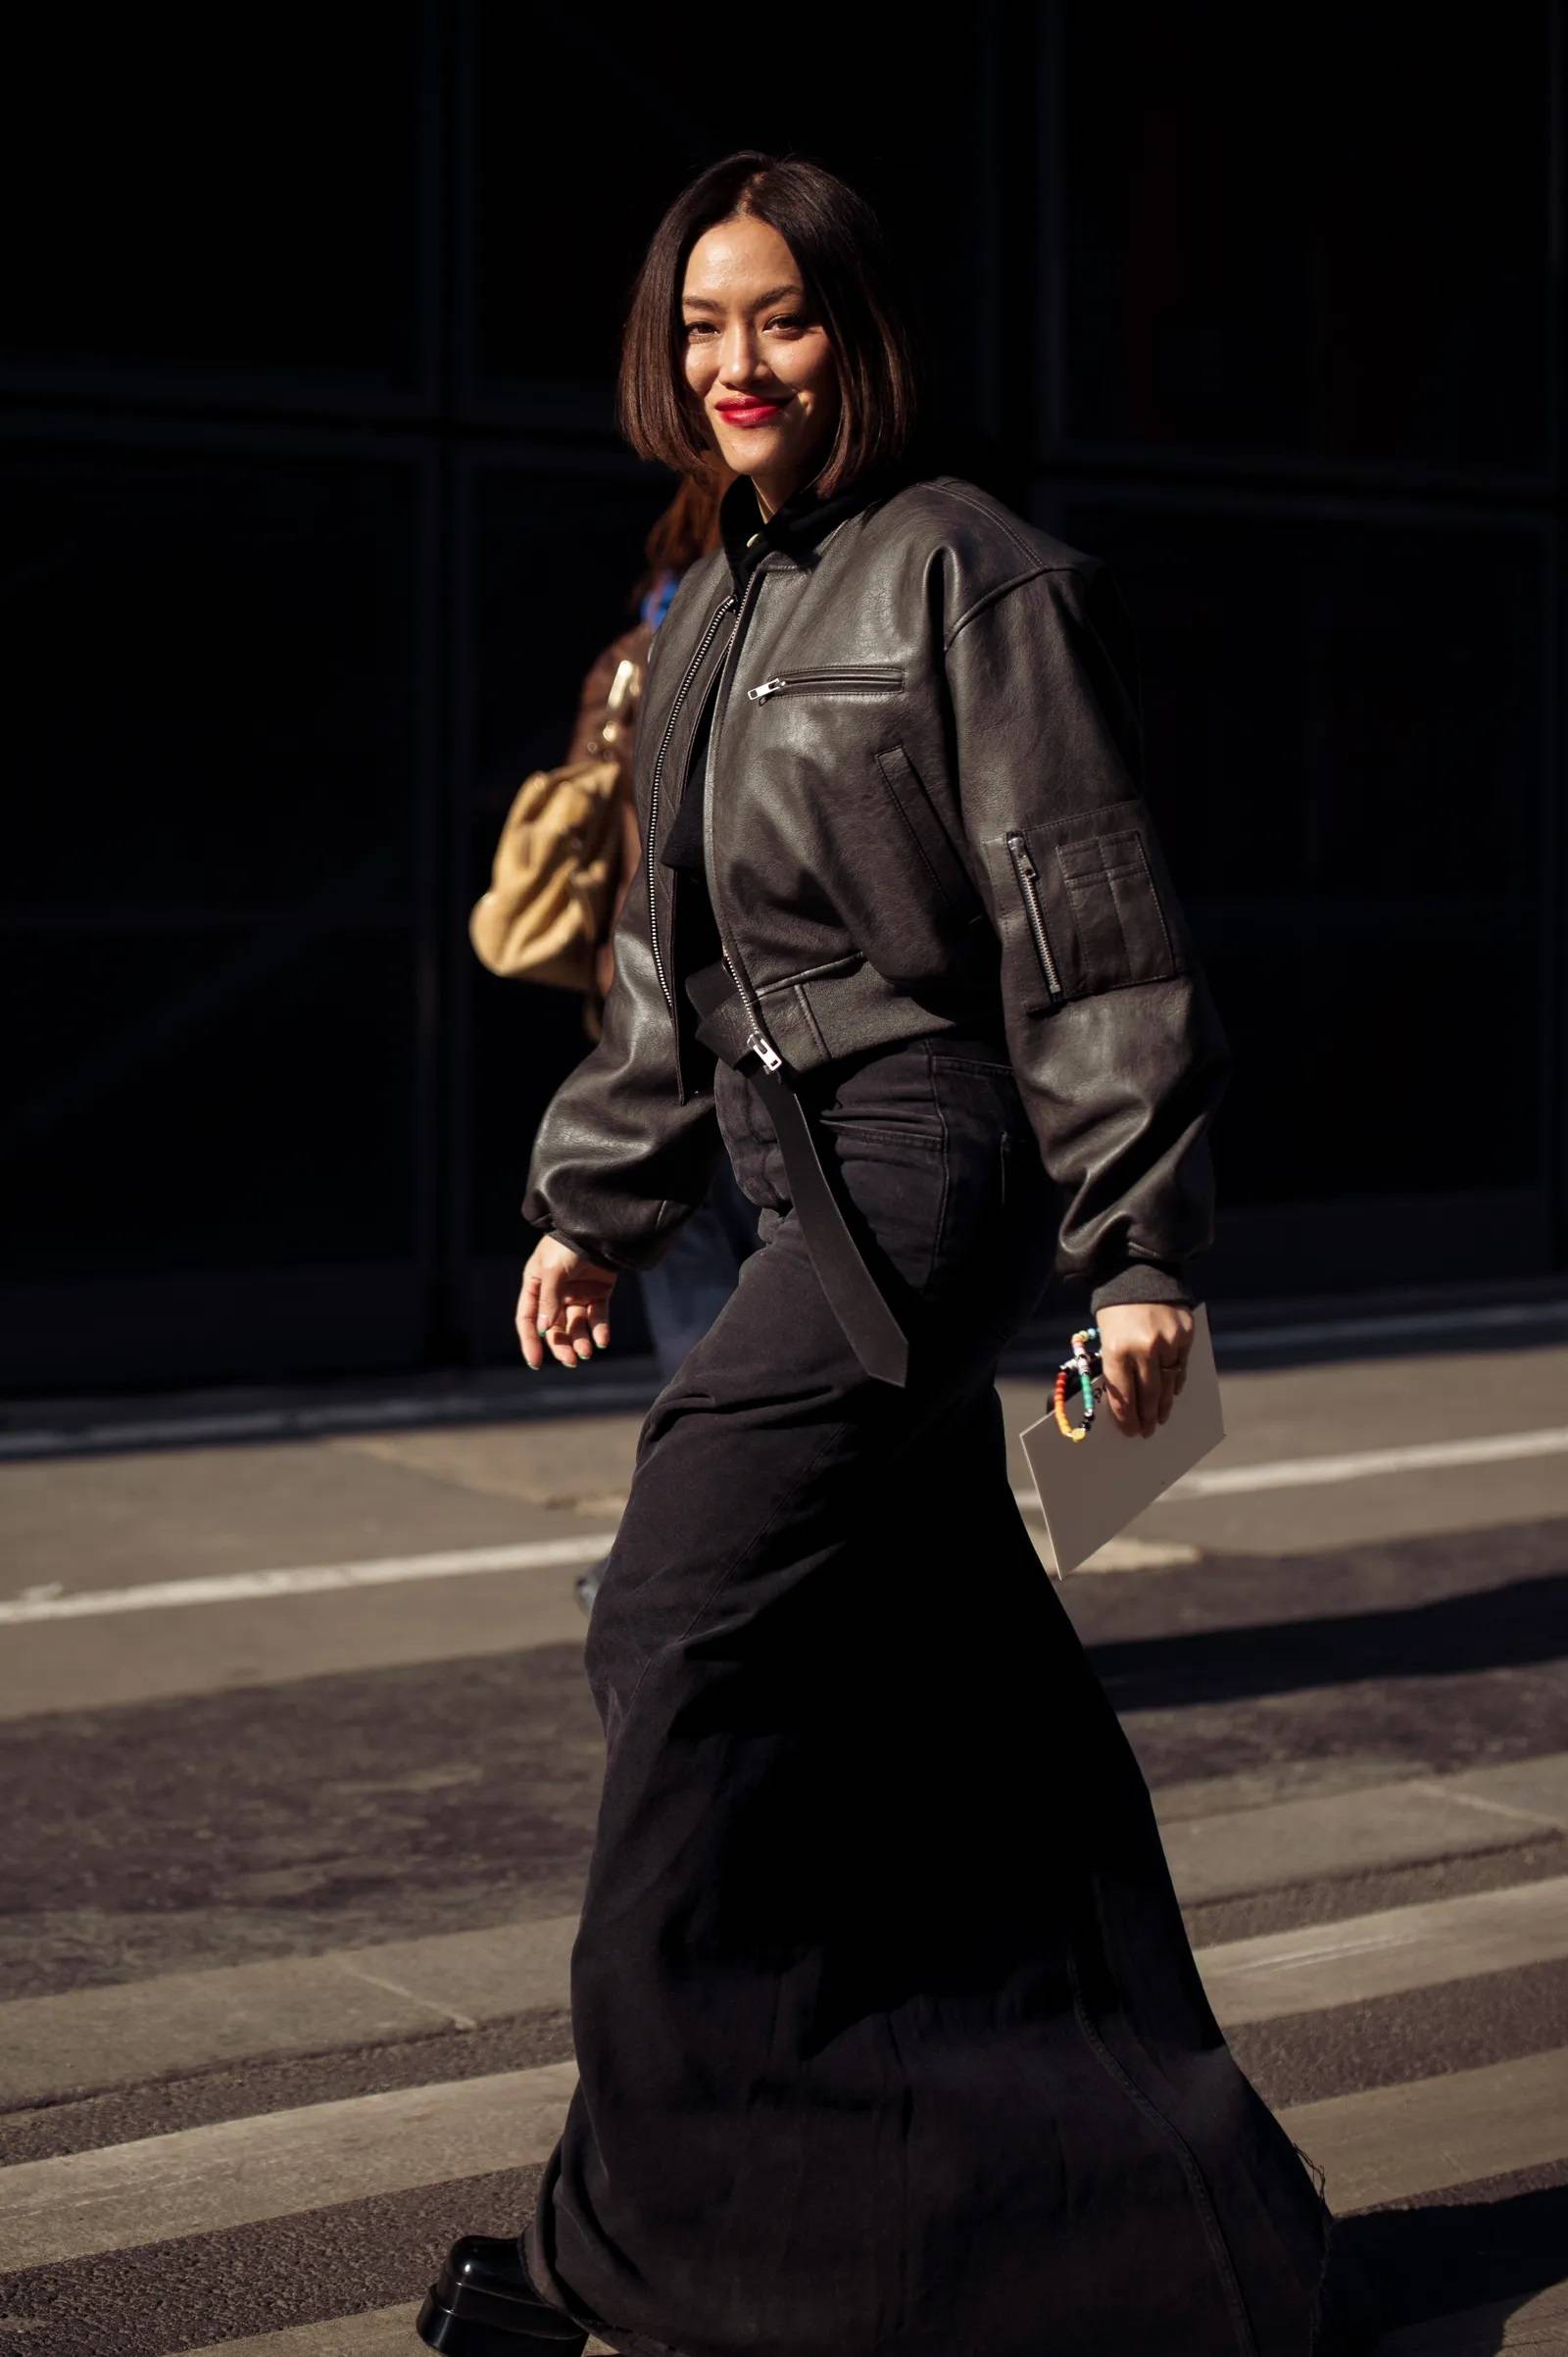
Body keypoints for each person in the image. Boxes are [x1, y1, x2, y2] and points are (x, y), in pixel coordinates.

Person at [418, 151, 1362, 2357]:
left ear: (857, 329)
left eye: (781, 320)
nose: (736, 366)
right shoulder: (715, 602)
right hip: (775, 1161)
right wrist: (594, 1190)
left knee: (673, 1607)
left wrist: (1136, 1249)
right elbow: (662, 952)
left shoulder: (973, 576)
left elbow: (1087, 921)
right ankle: (1153, 2231)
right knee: (964, 1724)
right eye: (699, 329)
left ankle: (635, 2239)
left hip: (927, 1167)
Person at [543, 471, 765, 1617]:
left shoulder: (633, 654)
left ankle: (686, 1561)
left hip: (646, 1023)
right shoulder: (762, 625)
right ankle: (692, 1564)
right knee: (759, 1327)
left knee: (705, 1322)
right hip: (747, 1025)